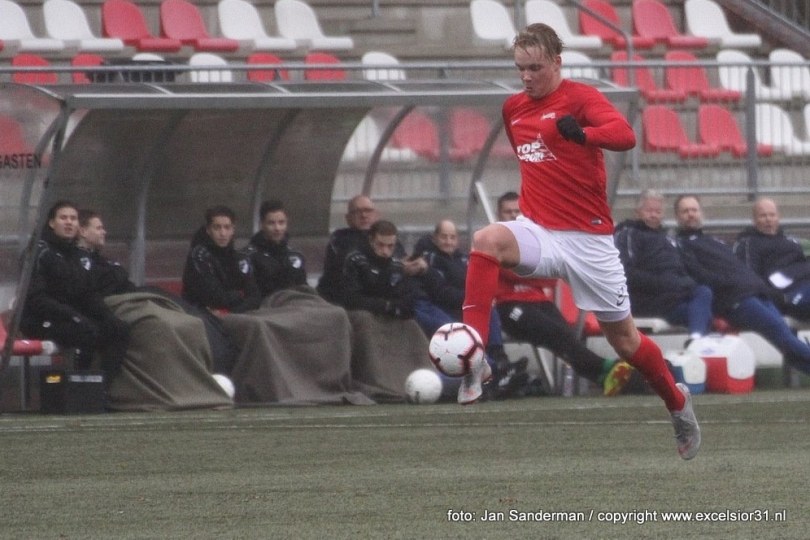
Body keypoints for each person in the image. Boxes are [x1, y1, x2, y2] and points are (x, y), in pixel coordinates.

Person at [458, 23, 700, 459]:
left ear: (557, 62)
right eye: (520, 69)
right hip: (539, 230)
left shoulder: (581, 99)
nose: (527, 77)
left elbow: (625, 136)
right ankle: (474, 354)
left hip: (589, 242)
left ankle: (677, 403)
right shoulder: (512, 108)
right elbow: (531, 159)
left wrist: (583, 135)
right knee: (486, 239)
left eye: (535, 68)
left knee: (625, 344)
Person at [75, 209, 234, 411]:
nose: (104, 232)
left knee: (190, 324)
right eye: (98, 228)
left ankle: (189, 386)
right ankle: (164, 390)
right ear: (83, 231)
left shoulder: (105, 261)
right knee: (161, 326)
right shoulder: (79, 262)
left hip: (132, 300)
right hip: (113, 307)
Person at [494, 192, 633, 396]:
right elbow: (512, 270)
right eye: (508, 211)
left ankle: (603, 374)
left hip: (539, 300)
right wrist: (532, 269)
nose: (513, 215)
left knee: (565, 336)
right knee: (555, 333)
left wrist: (526, 270)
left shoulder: (529, 237)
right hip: (509, 306)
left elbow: (550, 275)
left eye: (517, 211)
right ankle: (604, 369)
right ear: (499, 214)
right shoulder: (494, 238)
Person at [674, 195, 810, 374]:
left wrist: (756, 287)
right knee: (783, 336)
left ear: (701, 213)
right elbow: (699, 276)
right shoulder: (679, 246)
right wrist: (730, 286)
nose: (691, 214)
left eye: (694, 210)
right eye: (686, 211)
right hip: (736, 300)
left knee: (785, 339)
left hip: (755, 294)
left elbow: (739, 270)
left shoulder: (713, 241)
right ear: (677, 216)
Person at [413, 218, 529, 400]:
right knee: (477, 312)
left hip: (461, 308)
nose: (448, 241)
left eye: (452, 237)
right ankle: (496, 373)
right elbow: (442, 293)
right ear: (435, 238)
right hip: (446, 312)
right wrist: (471, 299)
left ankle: (499, 360)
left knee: (488, 307)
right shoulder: (431, 260)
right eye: (444, 237)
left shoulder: (462, 259)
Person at [20, 201, 129, 381]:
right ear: (52, 223)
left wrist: (107, 316)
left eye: (73, 218)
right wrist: (73, 315)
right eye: (63, 218)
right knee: (86, 332)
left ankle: (102, 390)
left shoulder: (77, 255)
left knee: (118, 329)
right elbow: (36, 299)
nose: (69, 222)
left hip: (71, 317)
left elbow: (86, 293)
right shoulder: (38, 252)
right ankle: (79, 388)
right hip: (39, 320)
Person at [337, 219, 435, 401]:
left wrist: (396, 308)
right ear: (371, 240)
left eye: (390, 246)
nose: (385, 251)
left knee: (412, 325)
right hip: (362, 314)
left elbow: (407, 299)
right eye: (380, 245)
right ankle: (378, 382)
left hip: (387, 314)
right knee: (365, 322)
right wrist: (386, 306)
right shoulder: (355, 260)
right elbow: (350, 298)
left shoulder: (396, 265)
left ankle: (427, 377)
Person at [614, 189, 713, 342]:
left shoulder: (667, 237)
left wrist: (683, 284)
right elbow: (627, 273)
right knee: (702, 304)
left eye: (658, 211)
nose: (654, 215)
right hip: (648, 300)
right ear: (637, 212)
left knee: (703, 299)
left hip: (674, 297)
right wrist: (667, 283)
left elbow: (682, 269)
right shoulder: (628, 234)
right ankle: (697, 343)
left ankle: (695, 341)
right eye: (649, 211)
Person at [318, 194, 425, 303]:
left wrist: (417, 267)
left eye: (368, 210)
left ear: (376, 215)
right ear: (348, 218)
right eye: (357, 211)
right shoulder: (340, 241)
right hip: (352, 301)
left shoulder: (387, 236)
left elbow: (402, 260)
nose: (364, 215)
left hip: (392, 297)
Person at [734, 197, 810, 320]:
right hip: (786, 295)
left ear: (778, 217)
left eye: (772, 215)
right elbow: (750, 280)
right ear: (754, 220)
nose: (768, 219)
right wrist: (779, 298)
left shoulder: (792, 242)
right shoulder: (748, 244)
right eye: (763, 216)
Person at [182, 205, 262, 314]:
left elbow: (255, 297)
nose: (223, 233)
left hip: (233, 314)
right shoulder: (199, 256)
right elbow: (214, 297)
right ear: (208, 230)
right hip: (199, 314)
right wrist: (240, 294)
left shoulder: (240, 258)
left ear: (233, 230)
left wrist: (231, 312)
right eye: (217, 227)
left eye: (227, 227)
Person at [245, 199, 308, 298]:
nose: (277, 228)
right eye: (271, 223)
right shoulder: (250, 257)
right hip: (267, 308)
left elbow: (304, 288)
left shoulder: (295, 256)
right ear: (262, 224)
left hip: (295, 306)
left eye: (281, 222)